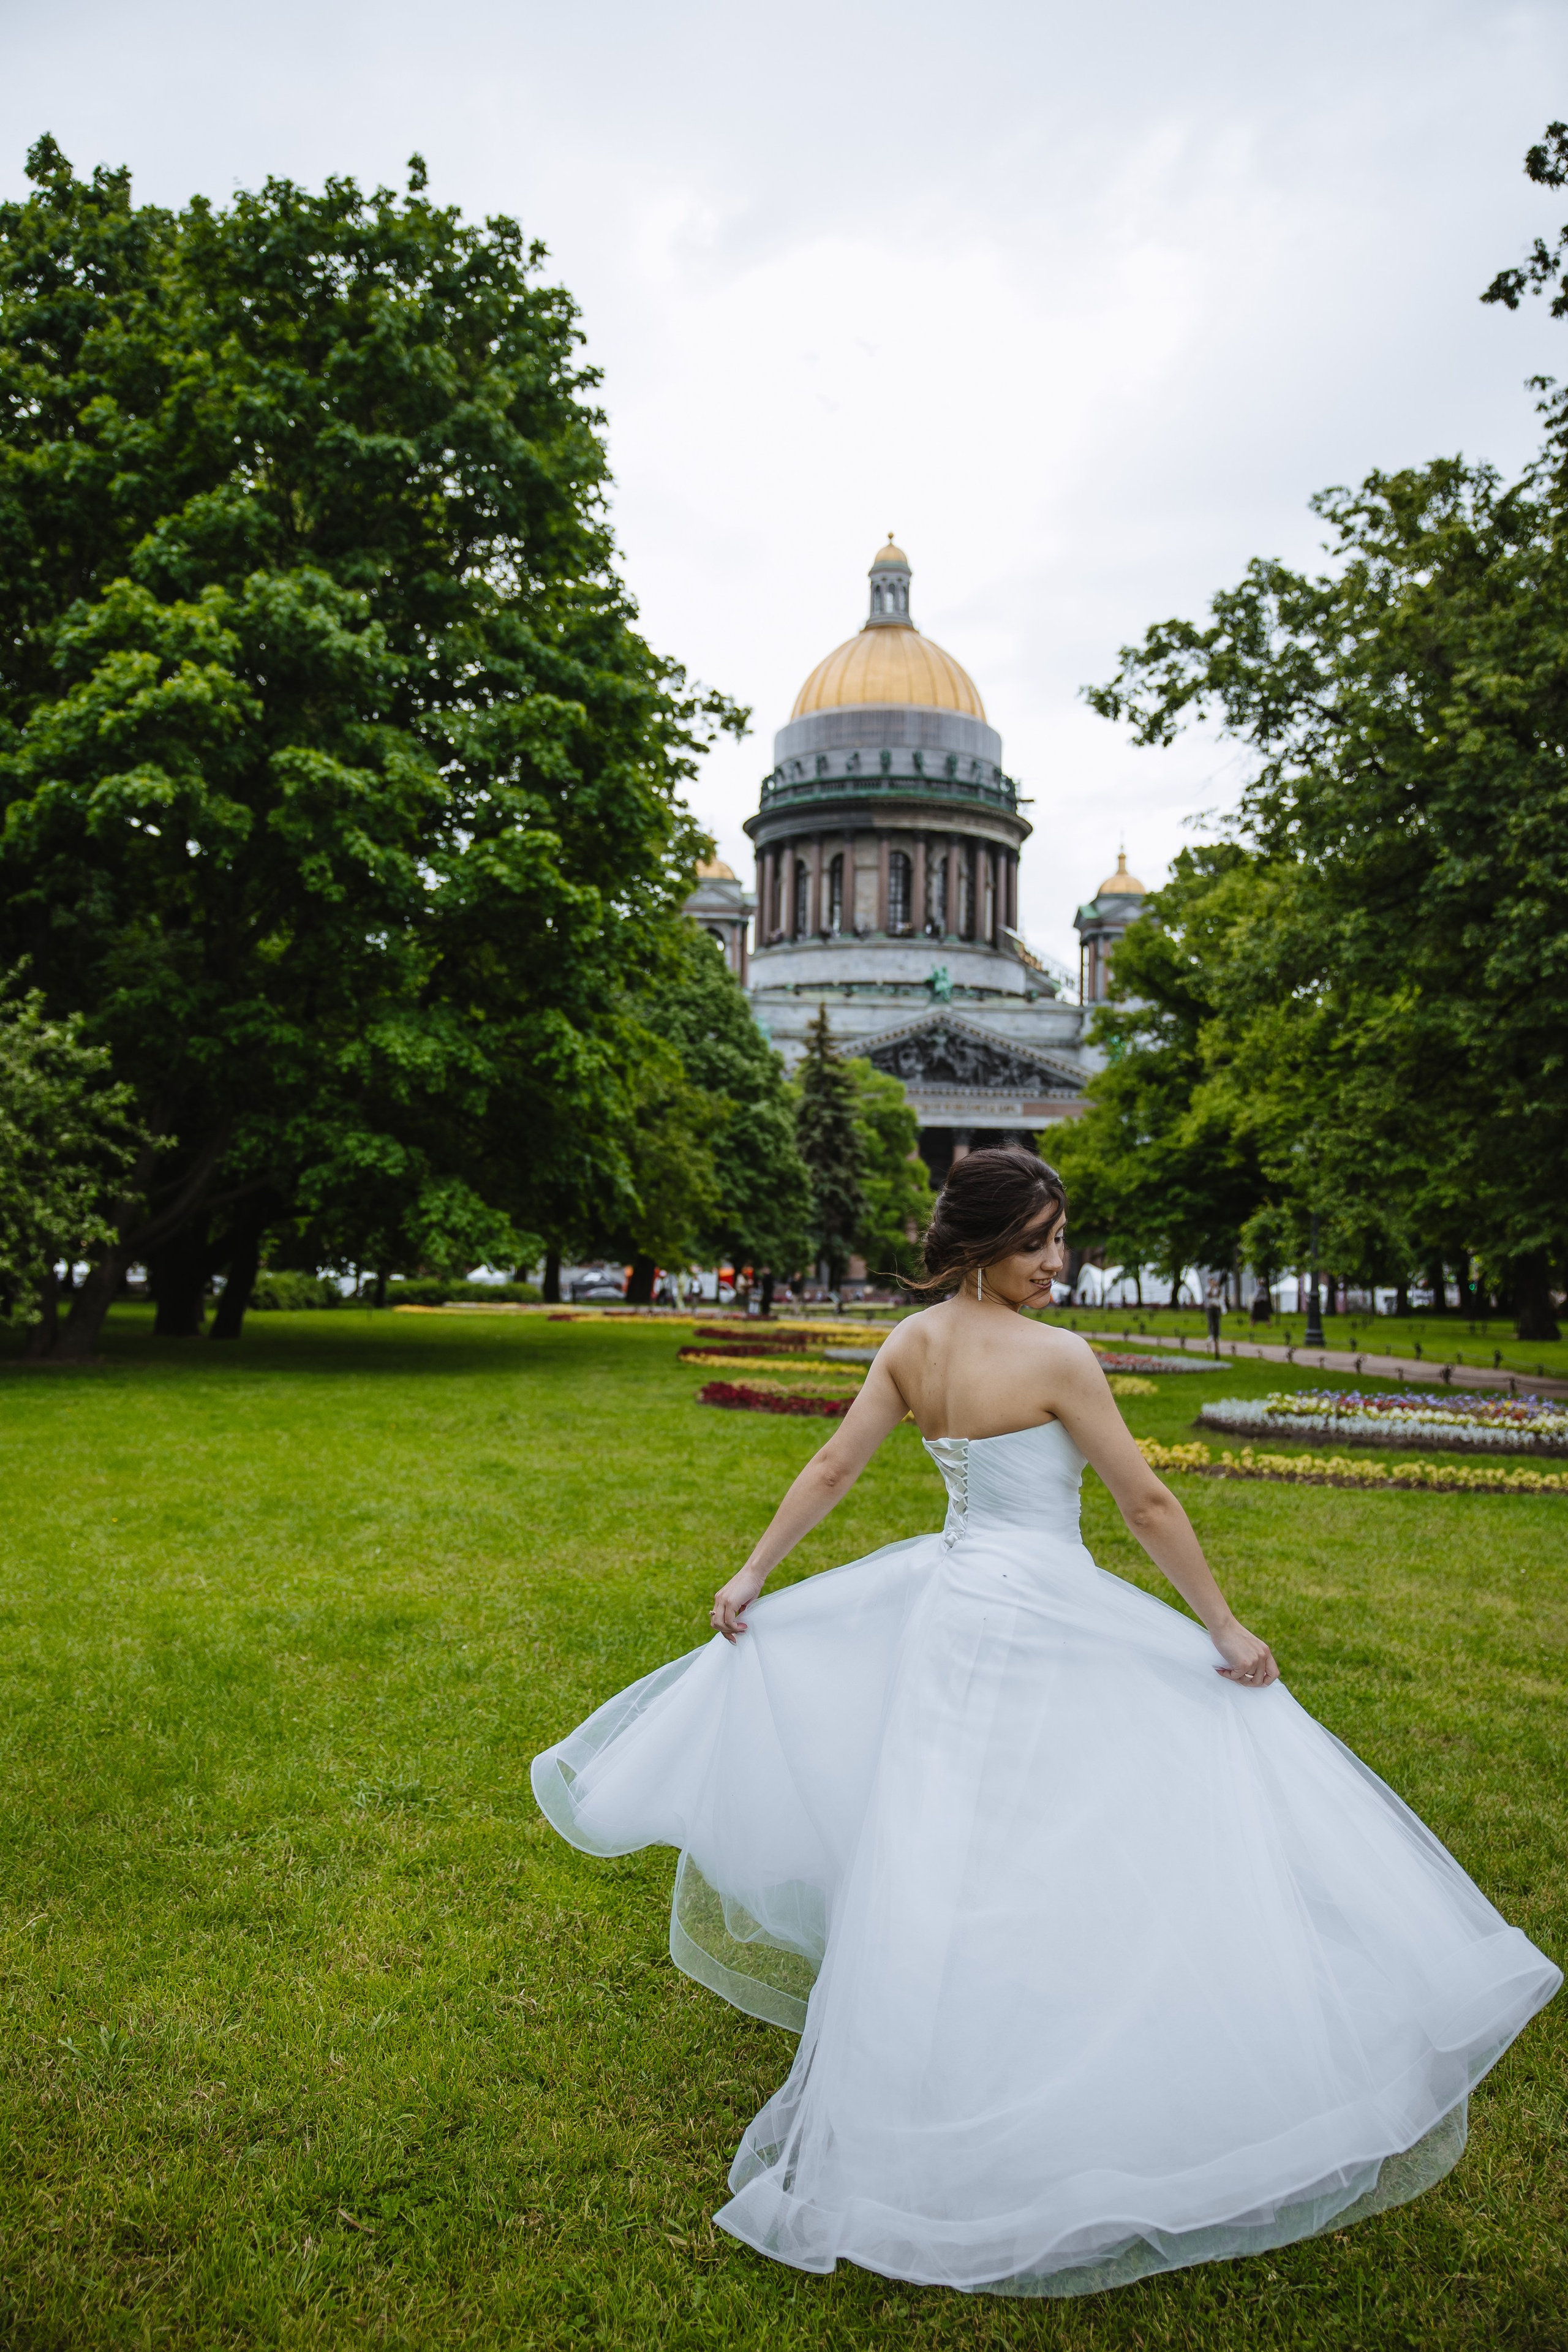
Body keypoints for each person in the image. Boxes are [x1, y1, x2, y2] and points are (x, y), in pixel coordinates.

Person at [532, 1147, 1559, 2299]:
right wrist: (1221, 1624)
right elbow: (1145, 1498)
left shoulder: (912, 1344)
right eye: (1036, 1243)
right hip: (1041, 1609)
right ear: (978, 1245)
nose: (1057, 1263)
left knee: (952, 1831)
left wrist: (754, 1574)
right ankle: (1057, 2068)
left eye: (1062, 1238)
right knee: (1061, 1825)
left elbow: (836, 1466)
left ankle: (946, 2066)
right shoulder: (1060, 1358)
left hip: (954, 1608)